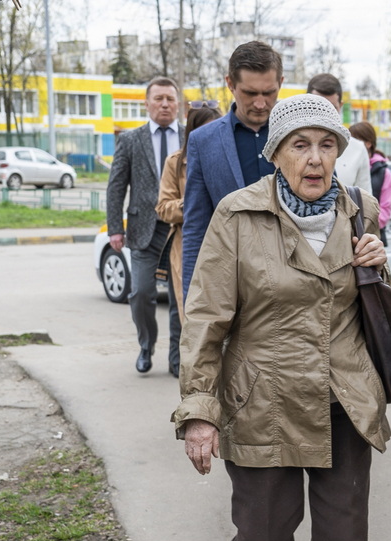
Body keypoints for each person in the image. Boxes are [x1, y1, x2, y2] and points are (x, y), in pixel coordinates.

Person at [173, 93, 391, 541]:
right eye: (302, 145)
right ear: (275, 155)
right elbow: (206, 319)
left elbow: (366, 306)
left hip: (342, 401)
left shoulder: (357, 213)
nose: (317, 158)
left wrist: (379, 265)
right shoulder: (239, 217)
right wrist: (199, 413)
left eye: (328, 145)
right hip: (261, 399)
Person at [181, 41, 285, 300]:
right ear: (230, 83)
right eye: (250, 93)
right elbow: (196, 226)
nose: (261, 103)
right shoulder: (203, 141)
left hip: (293, 284)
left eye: (269, 92)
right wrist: (191, 299)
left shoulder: (299, 134)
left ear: (280, 82)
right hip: (232, 285)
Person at [107, 75, 184, 374]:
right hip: (143, 231)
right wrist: (115, 227)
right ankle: (146, 344)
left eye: (170, 99)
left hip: (180, 230)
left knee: (180, 299)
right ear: (147, 104)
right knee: (140, 293)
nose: (164, 104)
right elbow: (116, 186)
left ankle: (176, 357)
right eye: (158, 99)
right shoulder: (130, 139)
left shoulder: (192, 136)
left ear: (178, 104)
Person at [154, 104, 222, 374]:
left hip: (224, 244)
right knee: (186, 311)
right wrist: (194, 203)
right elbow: (163, 207)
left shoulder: (225, 159)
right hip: (187, 244)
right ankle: (187, 368)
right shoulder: (176, 162)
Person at [308, 73, 373, 196]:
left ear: (340, 106)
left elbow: (365, 202)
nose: (325, 114)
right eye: (317, 107)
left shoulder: (358, 149)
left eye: (331, 108)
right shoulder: (288, 146)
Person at [348, 122, 391, 231]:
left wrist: (366, 225)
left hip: (373, 233)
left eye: (354, 140)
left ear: (368, 143)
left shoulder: (383, 173)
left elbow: (385, 209)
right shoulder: (348, 168)